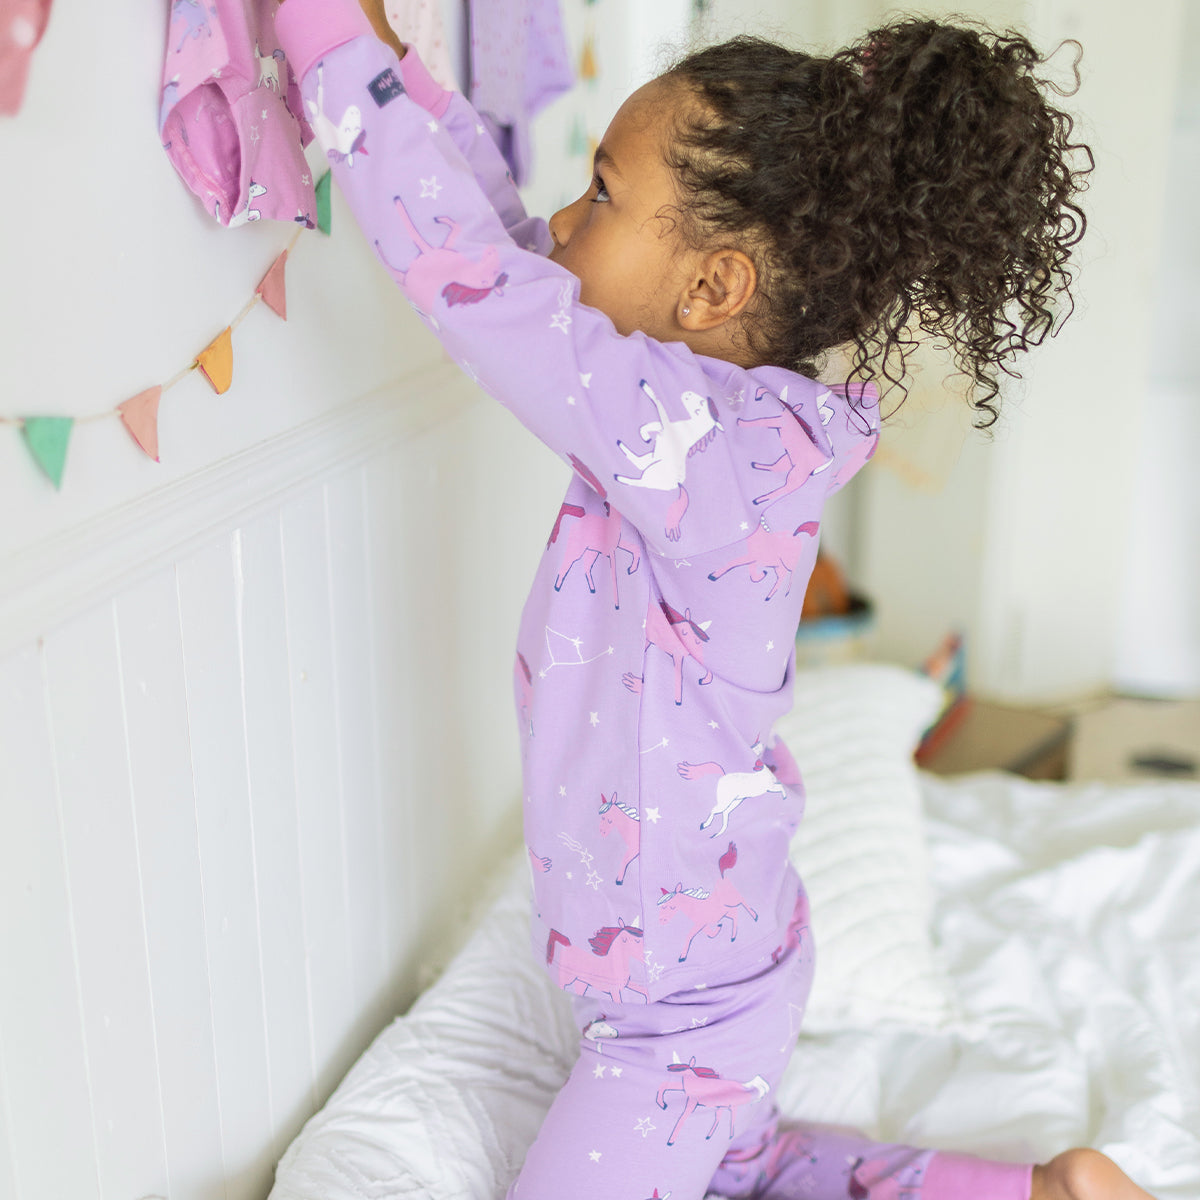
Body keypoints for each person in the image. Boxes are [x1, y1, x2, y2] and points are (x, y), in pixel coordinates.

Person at [274, 3, 1154, 1197]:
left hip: (676, 1018)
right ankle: (1029, 1193)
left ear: (712, 285)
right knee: (748, 1167)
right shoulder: (706, 426)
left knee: (717, 1149)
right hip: (700, 972)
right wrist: (406, 81)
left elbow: (478, 284)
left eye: (600, 194)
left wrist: (319, 35)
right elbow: (516, 252)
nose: (568, 223)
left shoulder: (707, 450)